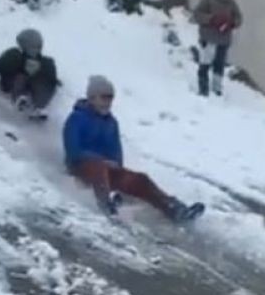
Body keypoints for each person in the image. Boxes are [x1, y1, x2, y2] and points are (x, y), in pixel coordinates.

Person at [62, 75, 204, 222]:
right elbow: (73, 150)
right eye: (104, 97)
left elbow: (116, 153)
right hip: (81, 166)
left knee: (140, 179)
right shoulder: (77, 118)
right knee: (99, 168)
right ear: (92, 98)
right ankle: (106, 204)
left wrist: (114, 164)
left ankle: (174, 209)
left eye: (111, 98)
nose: (108, 102)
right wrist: (98, 160)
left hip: (107, 169)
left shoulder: (111, 122)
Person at [192, 0, 243, 97]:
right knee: (205, 63)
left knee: (219, 65)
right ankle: (203, 88)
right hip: (208, 39)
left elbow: (239, 18)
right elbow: (197, 15)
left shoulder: (231, 2)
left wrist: (231, 23)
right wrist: (212, 19)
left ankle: (217, 89)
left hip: (224, 40)